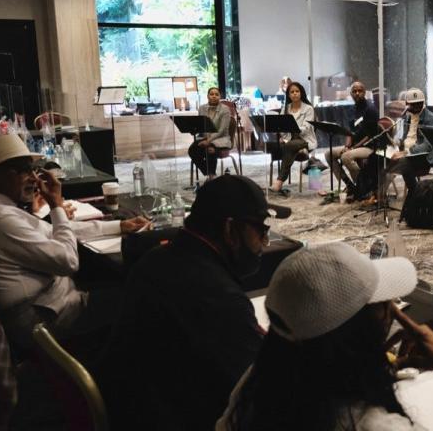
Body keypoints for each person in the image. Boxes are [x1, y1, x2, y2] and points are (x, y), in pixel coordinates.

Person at [216, 242, 433, 430]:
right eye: (383, 304)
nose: (393, 309)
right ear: (359, 328)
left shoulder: (257, 385)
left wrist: (374, 367)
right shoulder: (372, 423)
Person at [98, 175, 290, 431]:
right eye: (261, 231)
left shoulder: (155, 258)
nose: (264, 243)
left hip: (134, 407)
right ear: (230, 229)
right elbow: (259, 388)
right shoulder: (216, 297)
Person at [0, 134, 148, 351]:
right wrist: (56, 205)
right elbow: (68, 261)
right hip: (49, 320)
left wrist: (118, 226)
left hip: (45, 305)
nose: (32, 178)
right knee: (143, 298)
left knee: (118, 280)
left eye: (32, 169)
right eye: (22, 171)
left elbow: (50, 230)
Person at [321, 81, 379, 197]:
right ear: (351, 93)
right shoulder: (352, 110)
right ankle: (350, 185)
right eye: (354, 91)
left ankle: (364, 187)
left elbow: (370, 135)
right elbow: (350, 133)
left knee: (346, 156)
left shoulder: (370, 109)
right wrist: (347, 146)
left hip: (370, 146)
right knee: (329, 154)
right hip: (355, 146)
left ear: (365, 92)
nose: (357, 93)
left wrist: (352, 148)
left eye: (360, 91)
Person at [383, 88, 433, 202]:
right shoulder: (408, 116)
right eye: (412, 105)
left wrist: (405, 153)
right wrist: (396, 144)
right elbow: (405, 137)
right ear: (407, 105)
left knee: (403, 163)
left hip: (424, 155)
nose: (415, 107)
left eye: (418, 104)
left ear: (423, 103)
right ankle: (378, 193)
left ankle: (415, 194)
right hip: (408, 152)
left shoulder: (430, 118)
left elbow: (428, 146)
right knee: (382, 157)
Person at [268, 82, 316, 196]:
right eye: (292, 92)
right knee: (275, 145)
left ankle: (279, 181)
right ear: (288, 95)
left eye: (297, 91)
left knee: (290, 146)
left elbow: (306, 128)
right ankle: (296, 152)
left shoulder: (308, 108)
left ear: (301, 93)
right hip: (289, 140)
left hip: (304, 140)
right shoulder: (285, 108)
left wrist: (292, 127)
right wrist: (283, 137)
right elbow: (281, 127)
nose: (295, 94)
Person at [188, 87, 233, 178]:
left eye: (216, 94)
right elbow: (201, 125)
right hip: (205, 137)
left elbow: (222, 130)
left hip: (221, 138)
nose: (214, 96)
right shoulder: (202, 108)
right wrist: (195, 130)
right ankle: (209, 174)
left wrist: (209, 141)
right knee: (192, 150)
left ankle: (212, 177)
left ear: (220, 96)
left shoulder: (225, 109)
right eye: (211, 94)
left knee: (210, 150)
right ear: (207, 96)